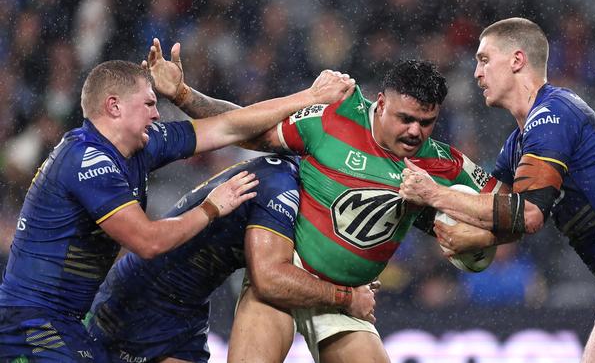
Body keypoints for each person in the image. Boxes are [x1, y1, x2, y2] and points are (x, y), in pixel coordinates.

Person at [149, 40, 503, 362]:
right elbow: (244, 128)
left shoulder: (444, 163)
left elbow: (513, 211)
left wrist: (483, 237)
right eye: (405, 119)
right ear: (380, 104)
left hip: (347, 303)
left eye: (426, 123)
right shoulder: (334, 116)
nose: (415, 132)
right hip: (286, 279)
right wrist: (182, 94)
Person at [0, 54, 355, 361]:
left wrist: (308, 98)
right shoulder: (87, 161)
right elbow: (148, 241)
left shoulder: (139, 146)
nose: (157, 115)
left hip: (64, 319)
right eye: (149, 104)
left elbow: (230, 127)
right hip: (29, 321)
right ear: (114, 106)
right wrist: (212, 208)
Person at [399, 17, 595, 361]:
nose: (476, 73)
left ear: (517, 60)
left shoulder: (553, 114)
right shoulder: (518, 144)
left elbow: (527, 214)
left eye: (484, 59)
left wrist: (433, 194)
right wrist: (466, 235)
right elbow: (501, 214)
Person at [84, 154, 379, 363]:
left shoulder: (293, 181)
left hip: (187, 311)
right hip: (140, 300)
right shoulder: (282, 187)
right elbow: (268, 278)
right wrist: (347, 297)